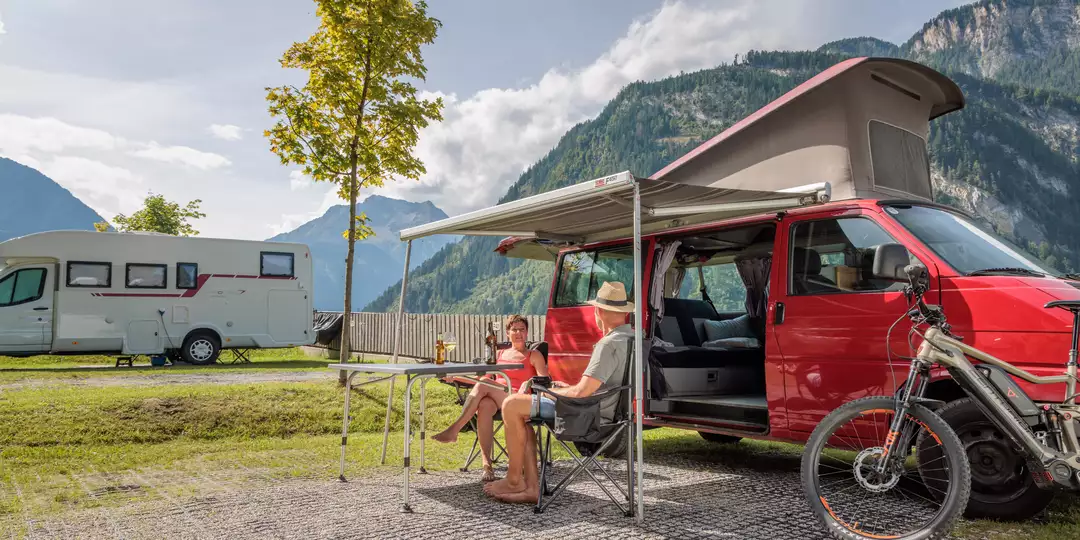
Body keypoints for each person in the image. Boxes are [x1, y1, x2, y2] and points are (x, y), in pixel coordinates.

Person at [484, 281, 634, 503]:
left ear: (599, 311)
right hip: (607, 412)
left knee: (512, 404)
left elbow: (583, 392)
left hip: (586, 414)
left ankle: (514, 479)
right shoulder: (631, 338)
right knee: (522, 417)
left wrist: (549, 393)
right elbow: (593, 388)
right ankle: (531, 488)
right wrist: (562, 388)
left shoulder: (608, 344)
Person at [432, 314, 548, 482]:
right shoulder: (499, 354)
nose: (518, 333)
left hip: (520, 400)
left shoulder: (534, 355)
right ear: (507, 333)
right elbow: (481, 382)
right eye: (514, 329)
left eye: (522, 329)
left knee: (486, 385)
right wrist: (456, 377)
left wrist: (530, 388)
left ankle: (455, 428)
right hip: (498, 398)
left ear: (527, 332)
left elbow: (544, 381)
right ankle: (487, 464)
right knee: (485, 405)